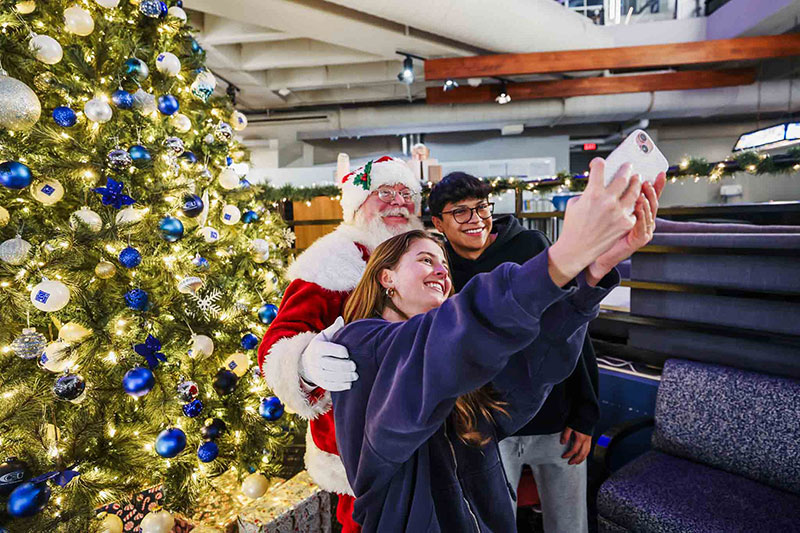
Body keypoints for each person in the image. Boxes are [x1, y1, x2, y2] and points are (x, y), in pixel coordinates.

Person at [330, 159, 664, 532]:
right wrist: (566, 254)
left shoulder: (444, 359)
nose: (442, 270)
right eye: (426, 260)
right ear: (386, 276)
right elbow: (443, 340)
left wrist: (592, 275)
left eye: (443, 264)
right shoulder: (362, 344)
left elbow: (529, 370)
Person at [426, 165, 663, 532]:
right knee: (491, 522)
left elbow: (575, 326)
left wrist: (585, 414)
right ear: (438, 223)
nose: (475, 219)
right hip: (490, 425)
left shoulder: (532, 248)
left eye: (482, 206)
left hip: (555, 419)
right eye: (460, 211)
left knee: (568, 524)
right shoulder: (440, 271)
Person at [257, 155, 423, 533]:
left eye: (406, 191)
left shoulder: (422, 253)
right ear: (356, 203)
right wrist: (305, 364)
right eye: (385, 192)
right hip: (358, 445)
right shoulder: (329, 263)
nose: (398, 201)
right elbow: (274, 345)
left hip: (421, 429)